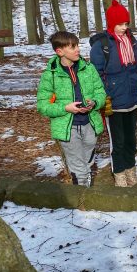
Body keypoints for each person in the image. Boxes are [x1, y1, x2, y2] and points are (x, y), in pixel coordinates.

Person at [37, 31, 107, 188]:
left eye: (77, 46)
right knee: (78, 169)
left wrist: (94, 103)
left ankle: (85, 194)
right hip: (67, 128)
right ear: (59, 51)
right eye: (72, 47)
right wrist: (65, 108)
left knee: (87, 164)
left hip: (90, 124)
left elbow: (101, 92)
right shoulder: (50, 75)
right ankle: (82, 201)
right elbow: (43, 105)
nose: (78, 50)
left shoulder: (88, 69)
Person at [90, 0, 137, 187]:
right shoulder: (101, 45)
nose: (124, 27)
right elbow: (96, 74)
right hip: (114, 102)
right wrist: (107, 94)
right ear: (111, 24)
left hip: (132, 99)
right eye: (120, 24)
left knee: (131, 140)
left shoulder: (132, 40)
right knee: (118, 142)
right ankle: (119, 173)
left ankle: (131, 170)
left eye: (126, 23)